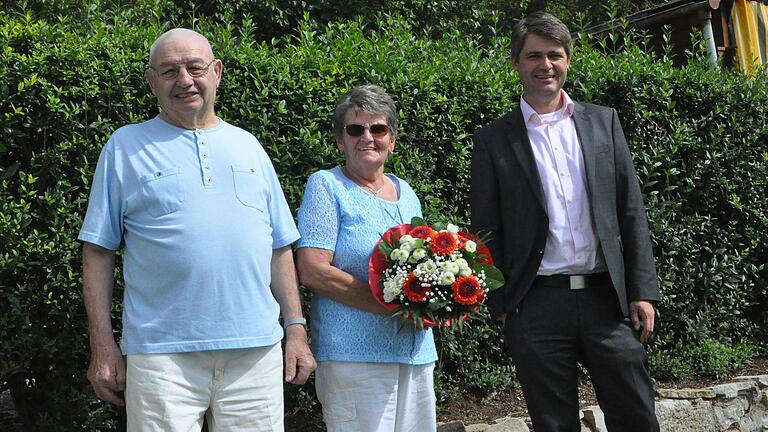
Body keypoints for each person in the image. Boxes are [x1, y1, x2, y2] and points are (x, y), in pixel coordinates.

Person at [79, 28, 315, 431]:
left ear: (217, 72)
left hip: (254, 352)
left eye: (194, 67)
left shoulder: (249, 146)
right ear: (152, 81)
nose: (184, 80)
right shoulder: (124, 146)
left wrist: (295, 329)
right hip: (161, 356)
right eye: (169, 71)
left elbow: (278, 248)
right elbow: (98, 251)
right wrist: (102, 344)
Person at [470, 11, 661, 432]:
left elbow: (631, 209)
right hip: (536, 304)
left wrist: (642, 291)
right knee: (553, 424)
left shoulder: (603, 123)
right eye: (534, 55)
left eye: (555, 55)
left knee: (637, 416)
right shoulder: (493, 140)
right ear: (516, 63)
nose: (546, 65)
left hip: (606, 302)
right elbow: (486, 229)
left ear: (568, 60)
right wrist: (502, 303)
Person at [295, 85, 438, 432]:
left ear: (393, 138)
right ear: (340, 139)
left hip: (416, 352)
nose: (367, 138)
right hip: (353, 355)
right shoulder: (327, 186)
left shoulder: (407, 193)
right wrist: (394, 306)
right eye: (355, 129)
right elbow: (313, 270)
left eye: (378, 129)